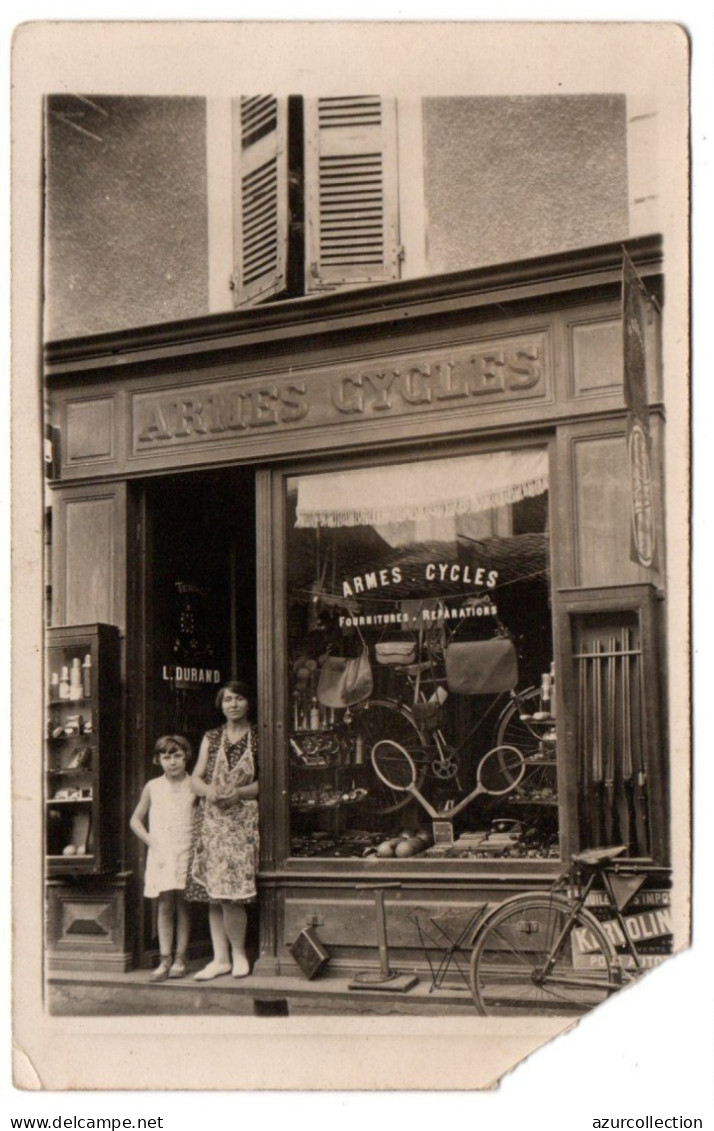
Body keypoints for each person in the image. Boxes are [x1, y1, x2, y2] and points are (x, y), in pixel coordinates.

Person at [185, 681, 259, 980]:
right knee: (213, 894)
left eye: (239, 698)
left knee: (232, 894)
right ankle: (220, 959)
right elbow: (196, 778)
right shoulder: (211, 738)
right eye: (228, 699)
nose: (233, 705)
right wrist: (207, 791)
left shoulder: (260, 735)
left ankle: (239, 955)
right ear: (221, 704)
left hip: (242, 823)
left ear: (248, 703)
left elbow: (270, 782)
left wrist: (240, 793)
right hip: (213, 822)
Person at [130, 735, 196, 982]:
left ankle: (181, 957)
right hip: (162, 853)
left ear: (186, 757)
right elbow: (135, 820)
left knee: (184, 904)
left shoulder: (194, 785)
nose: (172, 762)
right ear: (158, 760)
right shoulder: (153, 786)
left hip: (187, 849)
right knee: (165, 904)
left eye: (177, 755)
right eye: (166, 757)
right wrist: (151, 841)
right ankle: (164, 959)